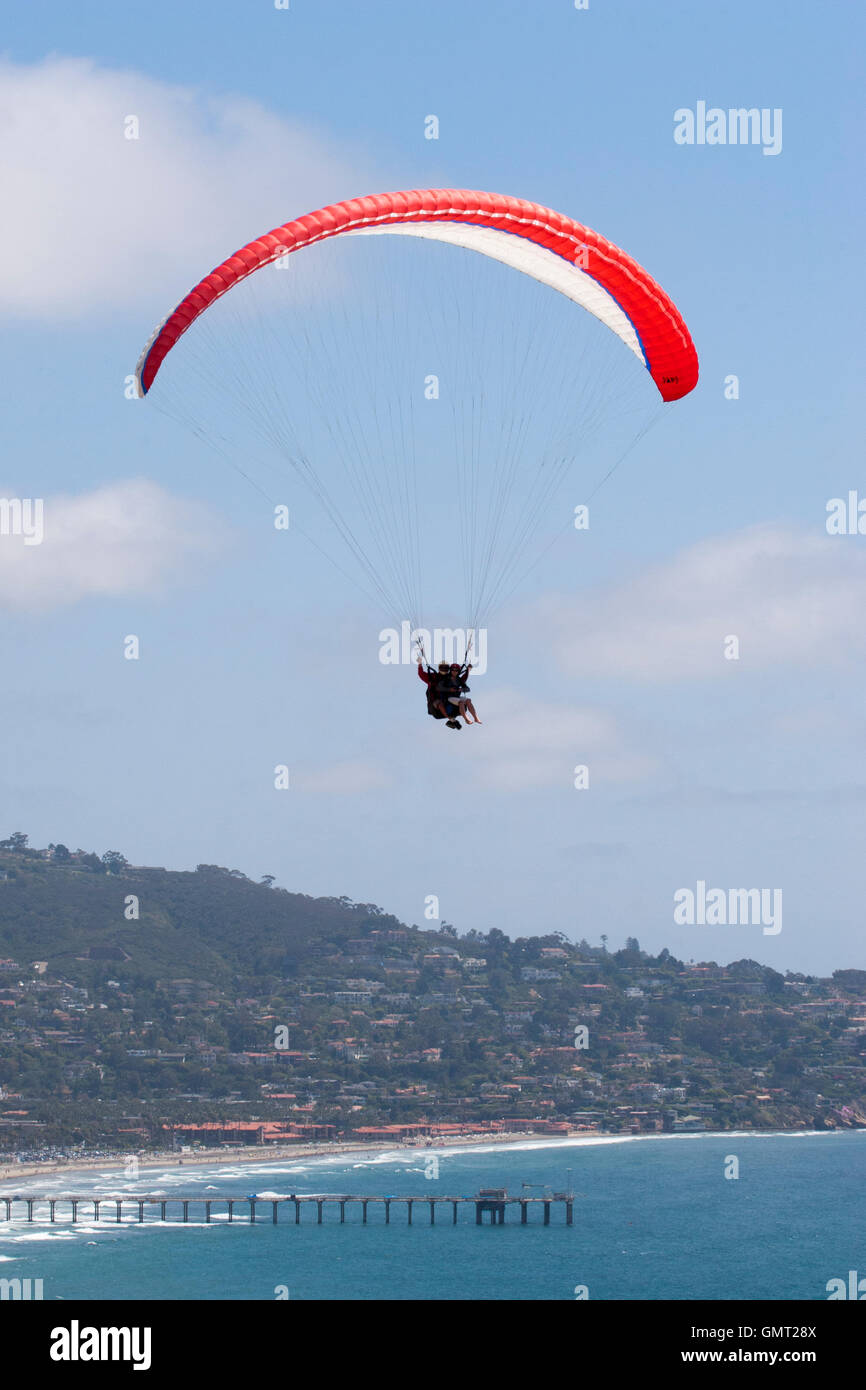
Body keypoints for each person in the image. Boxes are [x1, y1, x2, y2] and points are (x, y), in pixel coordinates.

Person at [418, 660, 462, 729]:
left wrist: (467, 670)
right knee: (440, 703)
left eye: (446, 668)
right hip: (436, 702)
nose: (444, 670)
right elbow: (421, 674)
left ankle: (452, 720)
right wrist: (420, 664)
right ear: (439, 668)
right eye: (442, 668)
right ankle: (452, 720)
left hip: (448, 700)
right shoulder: (433, 677)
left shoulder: (451, 678)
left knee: (460, 701)